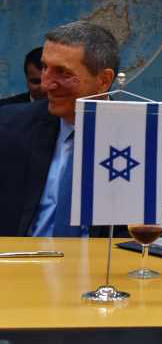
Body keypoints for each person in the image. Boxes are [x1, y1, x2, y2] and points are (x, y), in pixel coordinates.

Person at [0, 22, 118, 236]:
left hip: (98, 257)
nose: (46, 85)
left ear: (103, 80)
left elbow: (138, 235)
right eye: (45, 67)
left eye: (62, 72)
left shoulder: (143, 140)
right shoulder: (9, 127)